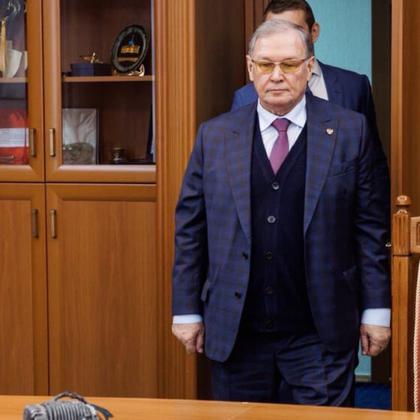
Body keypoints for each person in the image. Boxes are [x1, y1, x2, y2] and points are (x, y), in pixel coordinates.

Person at [172, 19, 390, 407]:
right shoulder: (215, 135)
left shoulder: (349, 130)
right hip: (237, 331)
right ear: (250, 67)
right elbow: (191, 229)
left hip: (319, 331)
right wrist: (186, 310)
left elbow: (369, 229)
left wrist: (377, 310)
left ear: (309, 66)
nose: (277, 75)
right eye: (265, 64)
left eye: (289, 64)